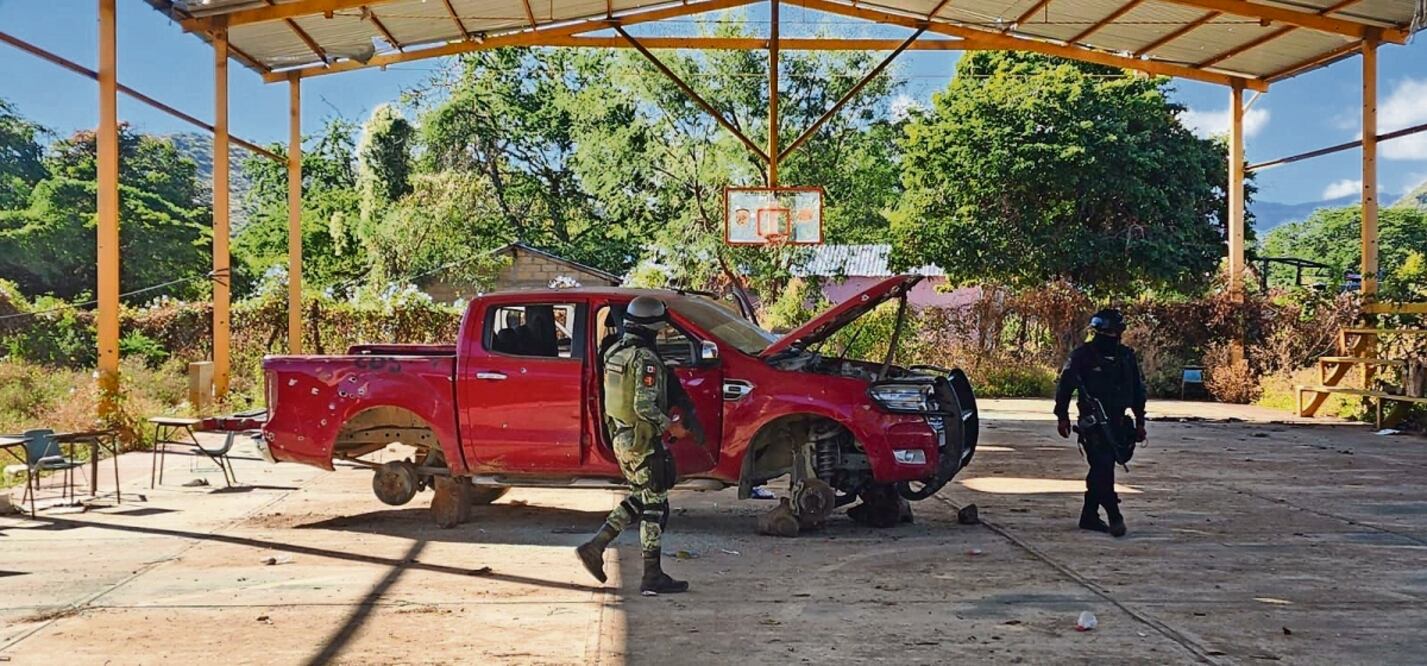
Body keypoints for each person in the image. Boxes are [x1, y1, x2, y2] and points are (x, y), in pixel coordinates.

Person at [577, 296, 693, 595]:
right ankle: (651, 576)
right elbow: (644, 405)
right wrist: (673, 427)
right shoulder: (645, 358)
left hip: (621, 437)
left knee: (643, 496)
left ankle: (596, 546)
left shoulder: (615, 351)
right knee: (654, 504)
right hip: (640, 438)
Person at [1053, 309, 1147, 538]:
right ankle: (1114, 516)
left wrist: (1140, 421)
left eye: (1116, 332)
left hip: (1119, 421)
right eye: (1107, 332)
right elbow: (1065, 387)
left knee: (1102, 468)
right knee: (1102, 466)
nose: (1112, 337)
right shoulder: (1082, 356)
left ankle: (1089, 515)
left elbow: (1137, 390)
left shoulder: (1125, 356)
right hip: (1093, 422)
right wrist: (1062, 416)